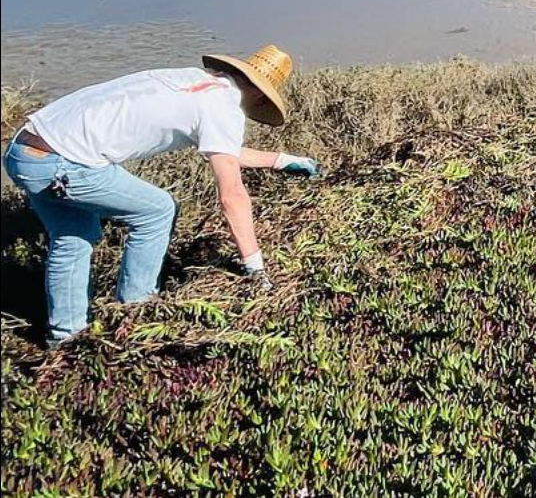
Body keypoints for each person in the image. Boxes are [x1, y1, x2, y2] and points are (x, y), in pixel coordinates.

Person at [3, 45, 317, 347]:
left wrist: (280, 160)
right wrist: (254, 267)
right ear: (260, 92)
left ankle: (65, 339)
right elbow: (232, 195)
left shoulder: (193, 81)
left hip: (25, 150)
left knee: (73, 237)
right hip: (64, 162)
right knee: (157, 211)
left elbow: (226, 152)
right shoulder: (223, 106)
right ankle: (134, 315)